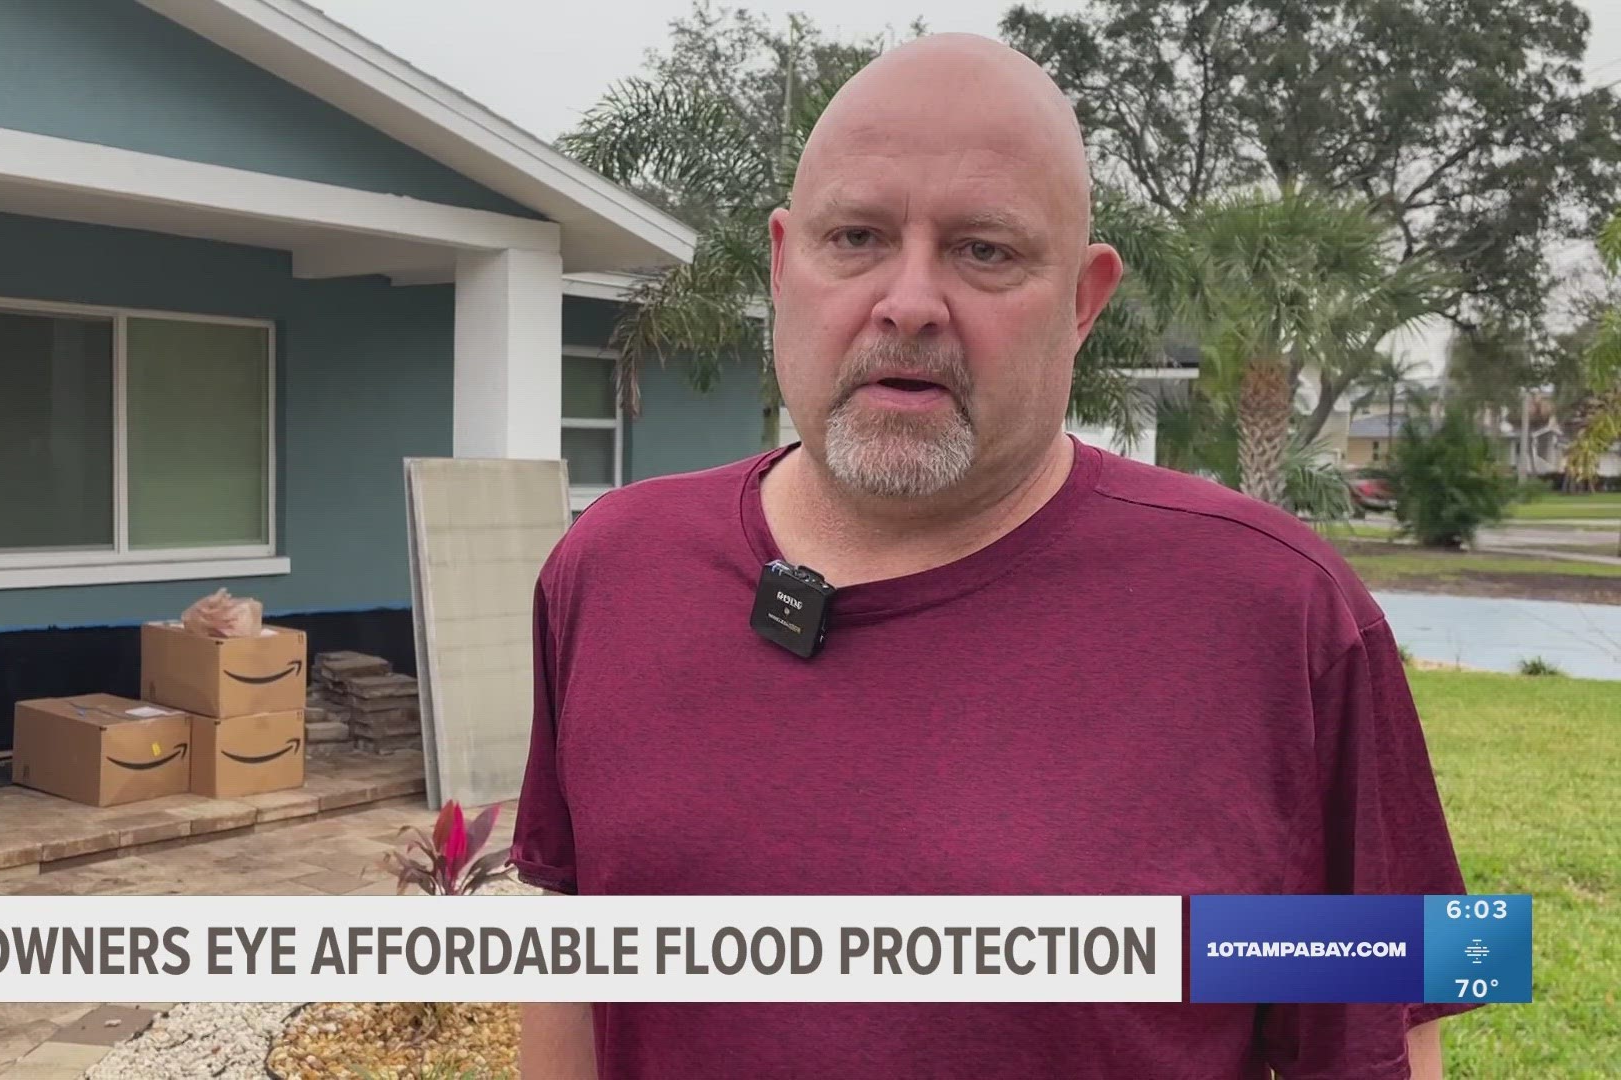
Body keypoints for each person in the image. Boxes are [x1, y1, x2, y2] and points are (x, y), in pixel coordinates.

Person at [509, 31, 1479, 1079]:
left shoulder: (1281, 618)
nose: (910, 301)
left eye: (985, 251)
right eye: (857, 237)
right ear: (785, 264)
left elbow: (1376, 1052)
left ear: (1084, 301)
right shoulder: (608, 571)